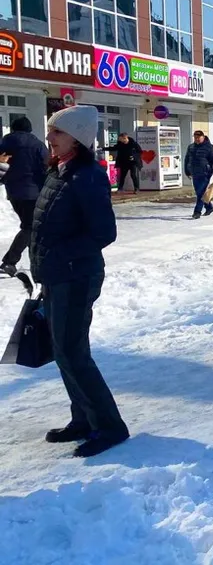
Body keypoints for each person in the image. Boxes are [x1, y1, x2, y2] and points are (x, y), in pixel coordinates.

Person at [31, 105, 128, 457]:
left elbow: (104, 232)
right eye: (50, 130)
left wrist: (59, 256)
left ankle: (110, 427)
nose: (50, 137)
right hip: (57, 276)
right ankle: (85, 419)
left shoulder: (87, 176)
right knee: (63, 352)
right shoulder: (59, 171)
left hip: (76, 276)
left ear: (78, 138)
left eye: (58, 131)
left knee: (73, 353)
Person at [0, 117, 49, 277]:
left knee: (31, 226)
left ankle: (35, 260)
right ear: (29, 129)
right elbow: (47, 166)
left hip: (13, 192)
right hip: (33, 192)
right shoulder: (37, 145)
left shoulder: (5, 143)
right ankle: (9, 262)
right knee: (30, 227)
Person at [184, 130, 213, 220]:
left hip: (205, 173)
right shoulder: (191, 147)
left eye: (198, 137)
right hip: (194, 172)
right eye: (195, 137)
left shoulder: (209, 147)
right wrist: (187, 171)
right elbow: (187, 160)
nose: (197, 139)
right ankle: (209, 207)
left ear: (203, 137)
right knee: (199, 192)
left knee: (201, 192)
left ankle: (197, 212)